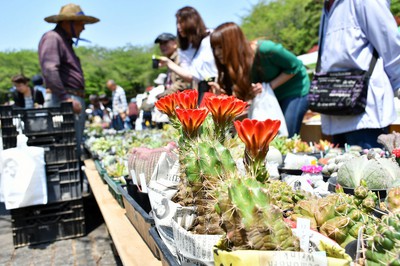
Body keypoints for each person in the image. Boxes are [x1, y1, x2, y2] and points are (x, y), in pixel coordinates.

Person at [317, 0, 400, 149]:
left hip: (366, 116)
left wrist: (397, 86)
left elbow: (392, 48)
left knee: (371, 168)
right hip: (335, 112)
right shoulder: (327, 8)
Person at [209, 22, 310, 137]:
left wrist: (269, 86)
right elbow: (242, 96)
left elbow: (295, 66)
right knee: (269, 137)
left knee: (286, 134)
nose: (217, 53)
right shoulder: (234, 65)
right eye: (214, 48)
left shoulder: (266, 50)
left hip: (295, 90)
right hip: (268, 97)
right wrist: (219, 96)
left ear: (233, 43)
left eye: (221, 47)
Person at [38, 3, 99, 150]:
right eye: (80, 23)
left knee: (73, 145)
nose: (83, 28)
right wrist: (66, 98)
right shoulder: (53, 37)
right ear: (68, 22)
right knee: (65, 147)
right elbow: (50, 69)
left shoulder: (64, 41)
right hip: (63, 101)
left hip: (69, 99)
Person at [158, 6, 218, 104]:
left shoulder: (212, 37)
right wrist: (168, 63)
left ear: (192, 21)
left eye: (181, 22)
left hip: (218, 87)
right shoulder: (185, 49)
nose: (178, 27)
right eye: (177, 23)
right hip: (202, 91)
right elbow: (189, 76)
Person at [153, 32, 190, 98]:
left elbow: (183, 82)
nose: (162, 46)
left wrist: (165, 94)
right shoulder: (170, 59)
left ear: (175, 43)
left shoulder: (181, 57)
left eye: (165, 42)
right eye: (160, 44)